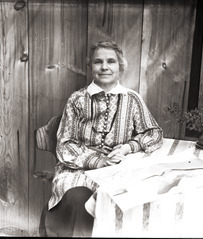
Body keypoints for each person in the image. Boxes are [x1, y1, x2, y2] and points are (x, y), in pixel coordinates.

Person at [40, 40, 163, 237]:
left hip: (116, 171)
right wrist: (98, 161)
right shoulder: (77, 99)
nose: (104, 67)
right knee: (79, 198)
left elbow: (153, 133)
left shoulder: (132, 99)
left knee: (132, 200)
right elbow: (65, 144)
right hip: (77, 171)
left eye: (111, 61)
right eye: (98, 62)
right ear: (91, 67)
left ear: (120, 67)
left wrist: (128, 147)